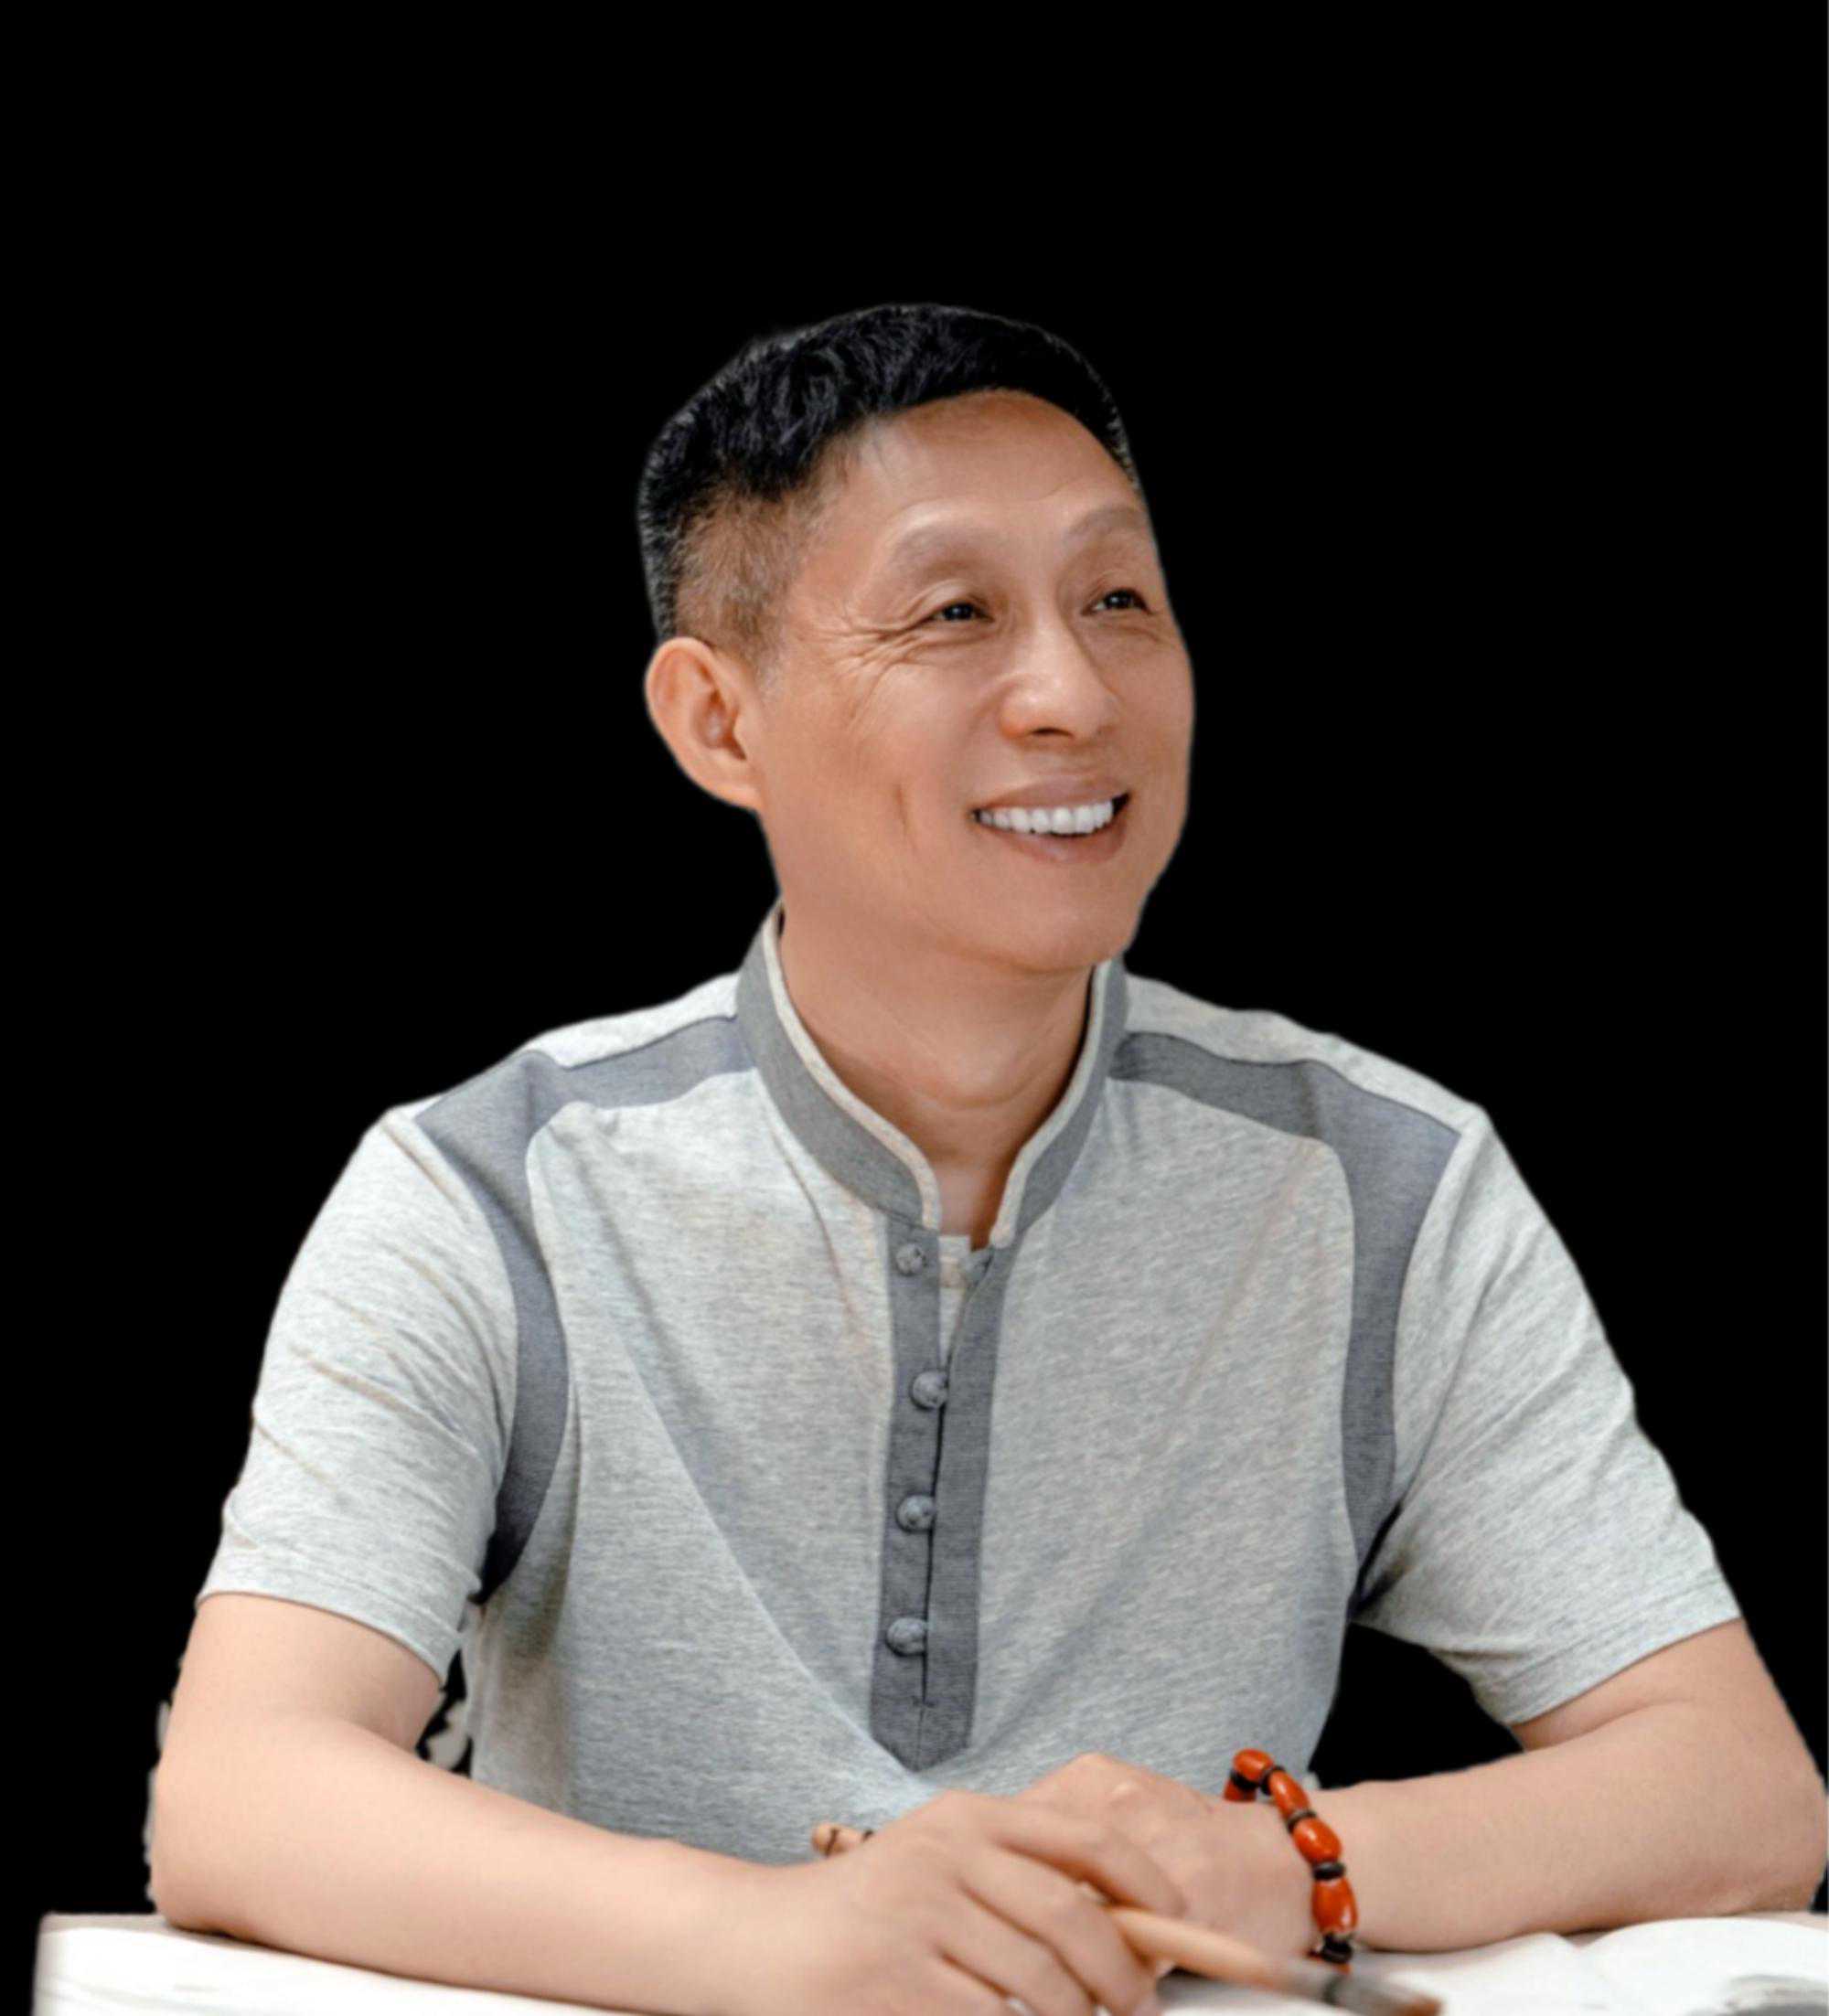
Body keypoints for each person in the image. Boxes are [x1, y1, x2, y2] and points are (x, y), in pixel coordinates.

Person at [150, 304, 1827, 2016]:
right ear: (719, 722)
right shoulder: (488, 1190)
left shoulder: (1381, 1185)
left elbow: (1739, 1789)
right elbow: (236, 1790)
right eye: (954, 613)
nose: (1073, 694)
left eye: (1119, 600)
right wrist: (773, 1937)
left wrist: (1285, 1861)